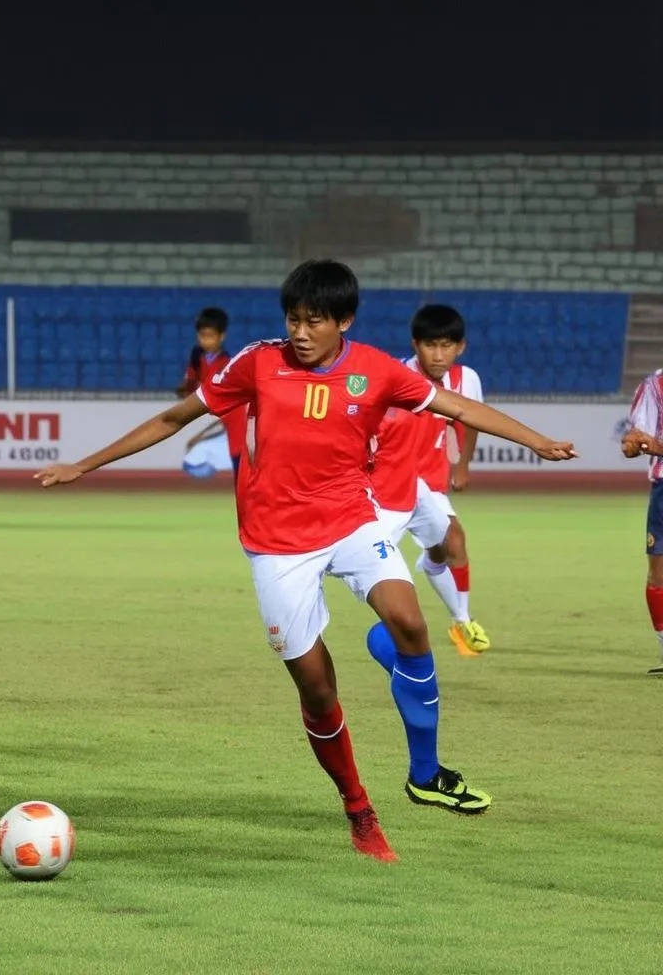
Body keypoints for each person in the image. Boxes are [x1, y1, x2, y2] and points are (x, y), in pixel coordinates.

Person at [35, 260, 576, 863]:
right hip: (276, 541)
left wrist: (539, 441)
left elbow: (459, 408)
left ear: (343, 321)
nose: (299, 331)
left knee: (411, 620)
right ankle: (358, 808)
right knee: (317, 689)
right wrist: (83, 464)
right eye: (293, 319)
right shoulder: (255, 363)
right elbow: (173, 418)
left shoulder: (375, 370)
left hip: (351, 518)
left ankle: (424, 772)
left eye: (313, 321)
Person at [404, 305, 488, 656]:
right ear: (415, 345)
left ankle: (462, 618)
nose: (438, 355)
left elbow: (470, 422)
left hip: (429, 484)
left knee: (452, 544)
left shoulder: (466, 378)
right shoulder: (397, 375)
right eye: (430, 345)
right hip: (391, 483)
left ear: (460, 347)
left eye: (446, 346)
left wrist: (463, 465)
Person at [621, 370, 663, 674]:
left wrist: (658, 447)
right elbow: (638, 434)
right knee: (658, 573)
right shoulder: (655, 384)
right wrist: (633, 443)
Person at [176, 307, 247, 479]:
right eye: (202, 336)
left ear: (221, 336)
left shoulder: (226, 366)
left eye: (210, 336)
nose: (205, 341)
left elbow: (226, 418)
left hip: (240, 434)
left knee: (244, 477)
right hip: (232, 433)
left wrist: (200, 437)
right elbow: (190, 385)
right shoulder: (197, 358)